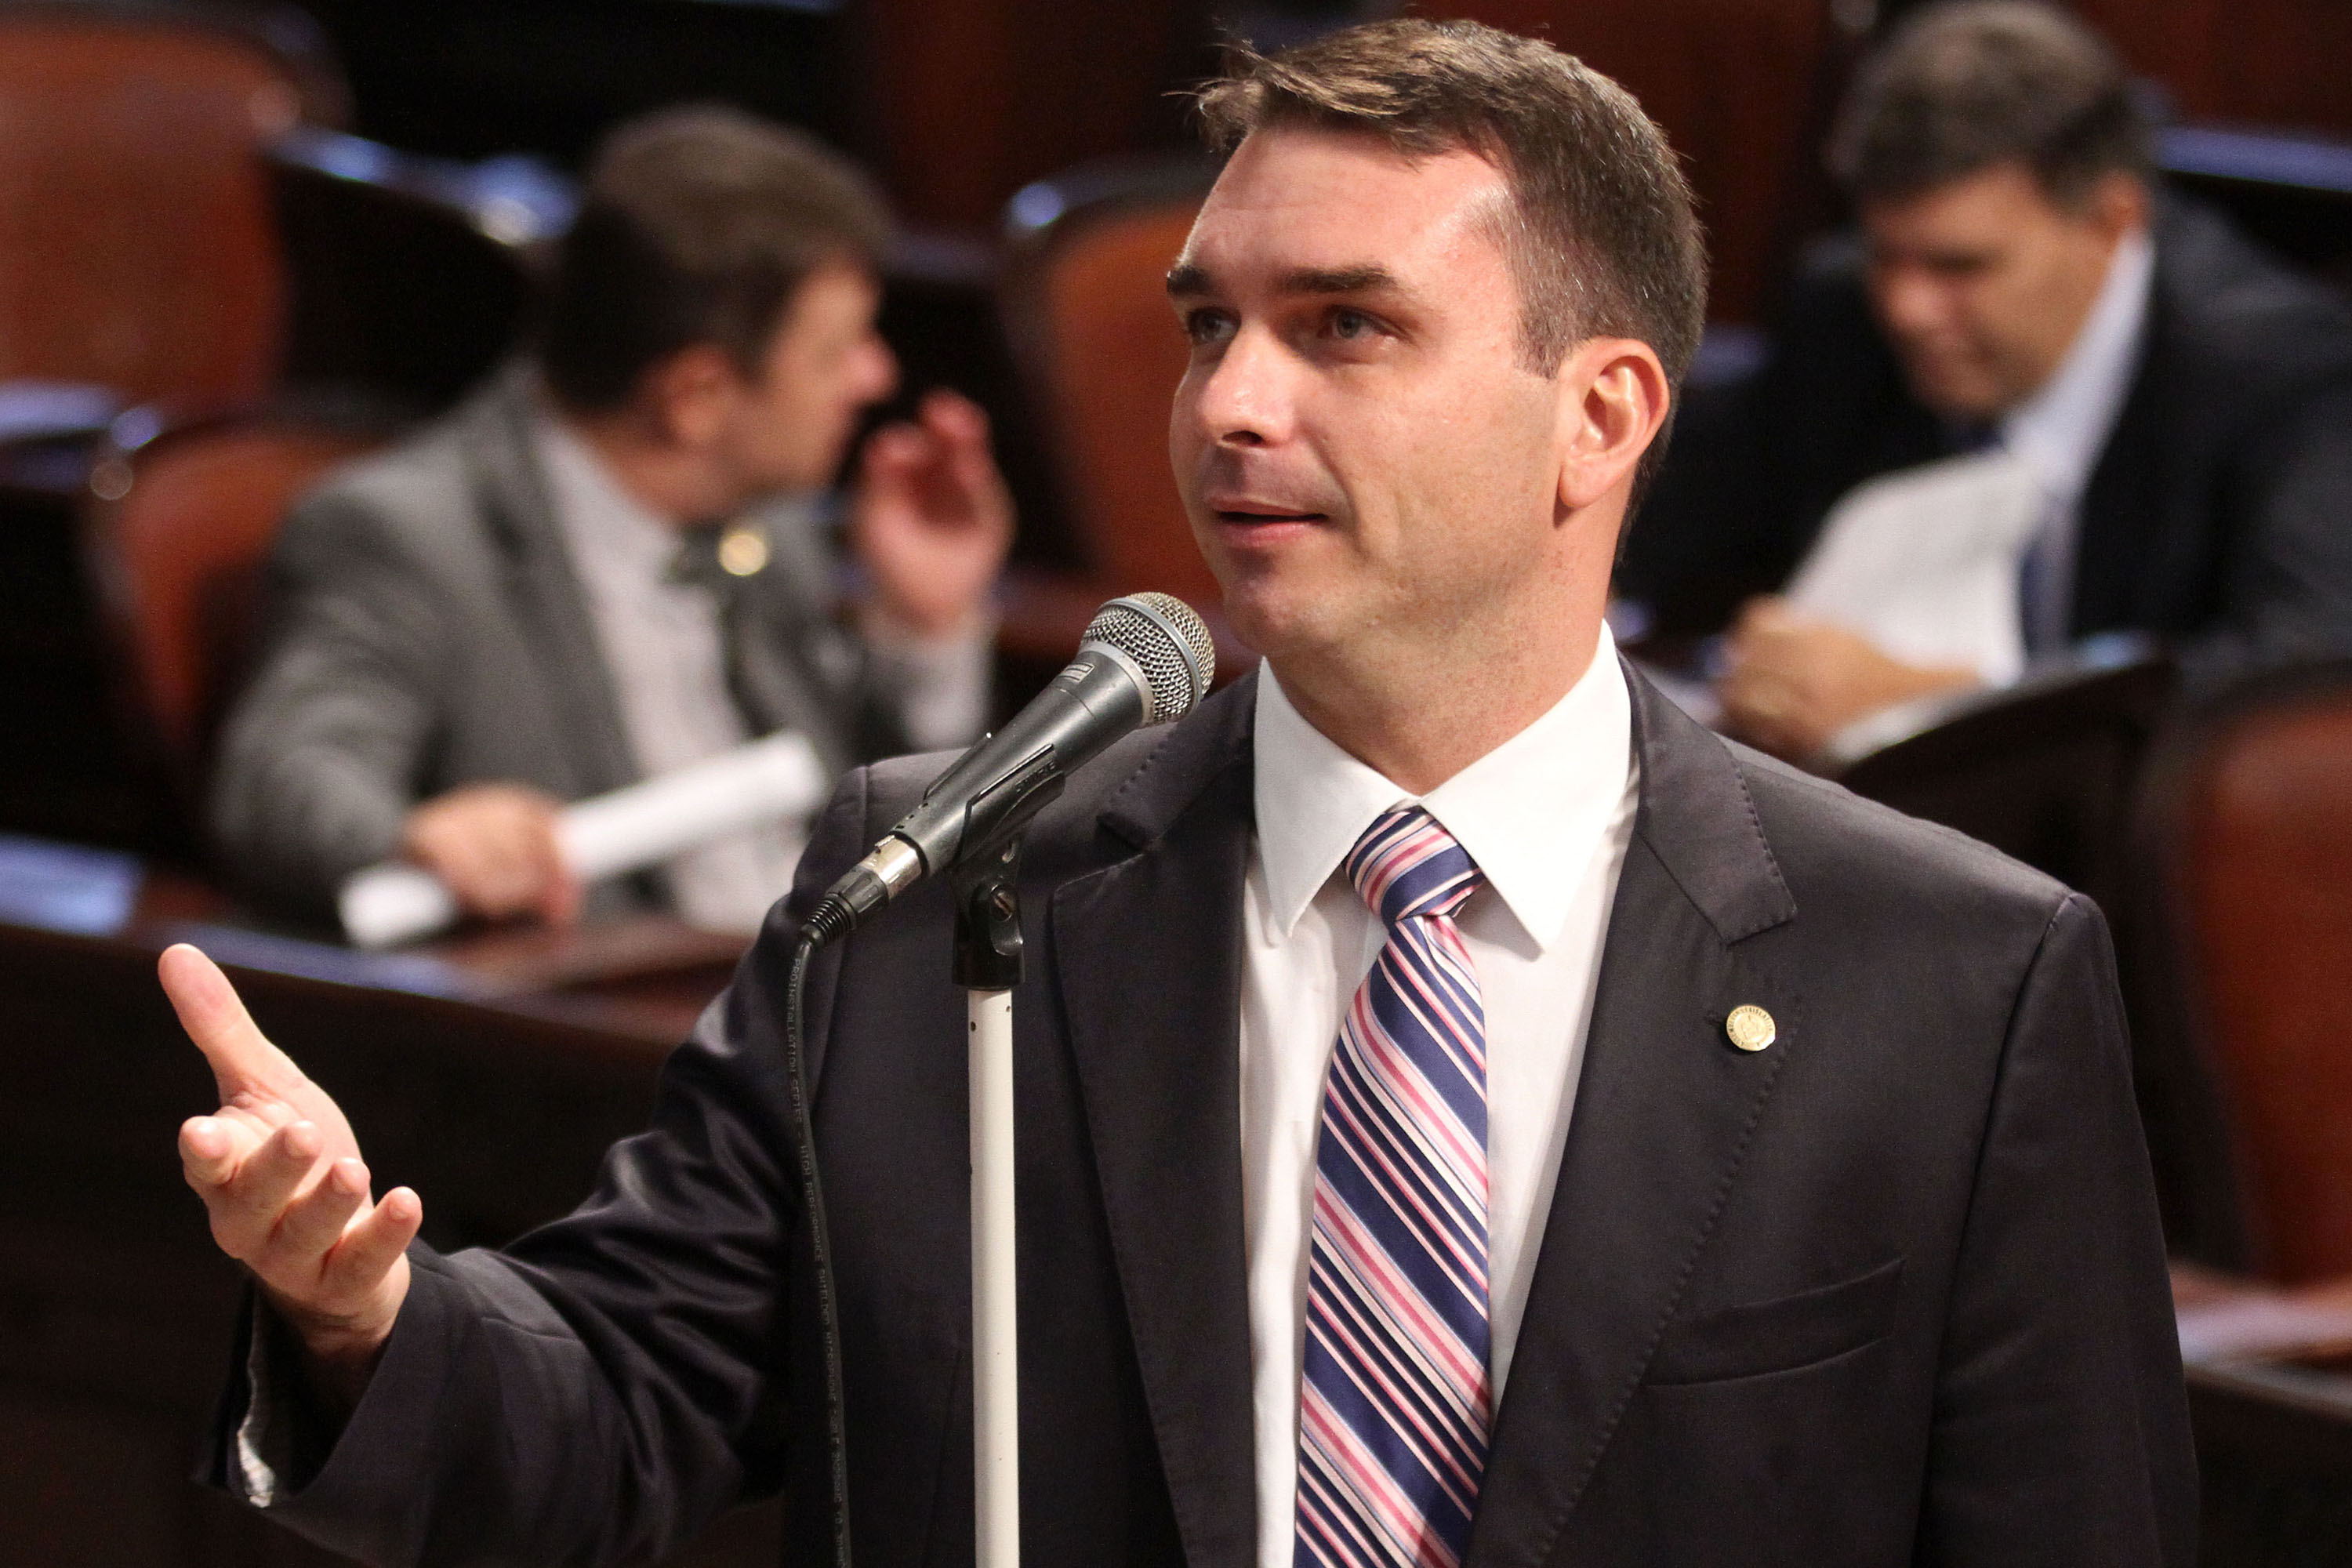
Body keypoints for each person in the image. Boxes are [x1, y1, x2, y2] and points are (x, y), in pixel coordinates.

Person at [165, 20, 2192, 1566]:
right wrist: (365, 1314)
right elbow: (610, 1410)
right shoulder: (942, 892)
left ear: (1600, 418)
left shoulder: (1952, 986)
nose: (1230, 403)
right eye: (1211, 325)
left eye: (1345, 331)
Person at [211, 107, 1013, 935]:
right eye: (835, 351)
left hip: (844, 999)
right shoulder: (406, 535)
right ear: (696, 397)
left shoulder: (772, 528)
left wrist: (926, 627)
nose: (876, 375)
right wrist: (416, 837)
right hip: (633, 1024)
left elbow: (892, 833)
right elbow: (283, 775)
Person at [1617, 0, 2352, 759]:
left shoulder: (2283, 379)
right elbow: (1658, 510)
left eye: (1959, 266)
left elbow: (2301, 686)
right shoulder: (1842, 319)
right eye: (1884, 256)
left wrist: (1951, 709)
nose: (1907, 308)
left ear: (2112, 219)